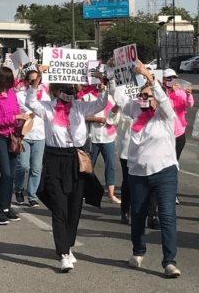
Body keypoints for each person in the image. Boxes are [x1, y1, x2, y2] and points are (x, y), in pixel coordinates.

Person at [26, 66, 109, 272]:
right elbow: (30, 102)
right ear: (55, 90)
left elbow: (101, 103)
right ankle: (62, 252)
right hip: (54, 159)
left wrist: (104, 84)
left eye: (71, 88)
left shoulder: (80, 107)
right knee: (59, 206)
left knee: (74, 207)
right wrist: (38, 79)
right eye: (65, 88)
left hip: (76, 159)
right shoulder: (48, 107)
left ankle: (68, 245)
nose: (69, 92)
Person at [113, 62, 181, 278]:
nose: (144, 98)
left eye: (148, 96)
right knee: (138, 214)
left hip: (164, 172)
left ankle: (169, 261)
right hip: (138, 174)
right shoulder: (134, 110)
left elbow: (163, 99)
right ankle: (138, 251)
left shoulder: (165, 115)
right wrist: (115, 73)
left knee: (167, 216)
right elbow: (119, 96)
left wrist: (149, 78)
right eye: (141, 95)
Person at [0, 67, 30, 225]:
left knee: (11, 174)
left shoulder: (12, 93)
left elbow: (17, 110)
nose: (8, 83)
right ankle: (0, 209)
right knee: (5, 173)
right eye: (6, 80)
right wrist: (15, 117)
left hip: (13, 135)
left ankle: (6, 207)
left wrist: (21, 124)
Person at [78, 82, 121, 204]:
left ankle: (111, 194)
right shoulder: (88, 98)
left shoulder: (112, 99)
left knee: (111, 165)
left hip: (109, 137)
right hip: (92, 137)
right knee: (88, 166)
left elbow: (117, 115)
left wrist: (112, 120)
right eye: (98, 84)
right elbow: (81, 115)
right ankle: (84, 191)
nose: (101, 86)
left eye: (103, 84)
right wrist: (96, 119)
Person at [14, 70, 50, 207]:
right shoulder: (20, 95)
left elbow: (46, 111)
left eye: (37, 80)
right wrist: (32, 112)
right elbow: (27, 109)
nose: (34, 82)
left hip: (40, 135)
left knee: (36, 168)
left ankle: (32, 195)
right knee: (23, 166)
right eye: (31, 80)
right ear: (26, 81)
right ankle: (18, 188)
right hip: (25, 134)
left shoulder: (45, 95)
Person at [163, 68, 194, 205]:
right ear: (163, 80)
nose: (171, 81)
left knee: (174, 164)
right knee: (162, 165)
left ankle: (172, 193)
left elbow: (189, 104)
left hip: (178, 133)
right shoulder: (160, 93)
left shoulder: (180, 92)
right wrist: (168, 93)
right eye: (168, 78)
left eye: (173, 78)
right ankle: (159, 192)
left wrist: (188, 95)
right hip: (163, 135)